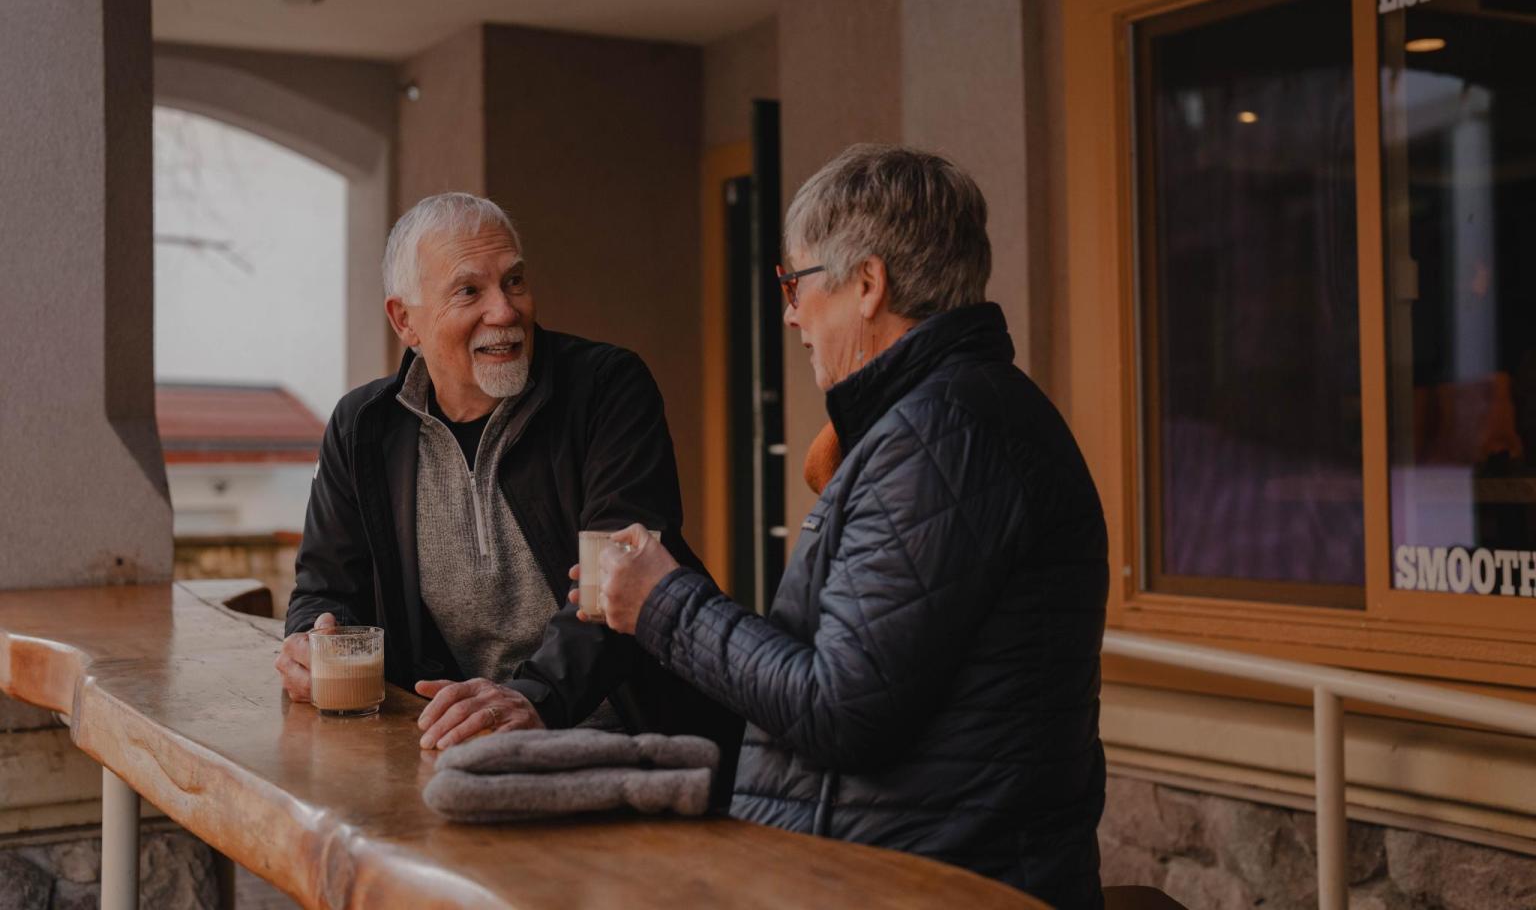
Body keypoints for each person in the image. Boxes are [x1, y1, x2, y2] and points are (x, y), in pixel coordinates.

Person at [589, 145, 1109, 907]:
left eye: (793, 283)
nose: (791, 312)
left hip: (927, 884)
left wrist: (665, 604)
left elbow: (841, 710)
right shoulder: (947, 421)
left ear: (868, 284)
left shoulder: (942, 439)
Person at [276, 192, 739, 775]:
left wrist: (538, 696)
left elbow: (621, 576)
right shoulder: (361, 426)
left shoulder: (608, 388)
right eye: (470, 291)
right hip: (453, 744)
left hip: (628, 737)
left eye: (514, 281)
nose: (505, 311)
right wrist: (309, 642)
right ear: (405, 320)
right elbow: (325, 588)